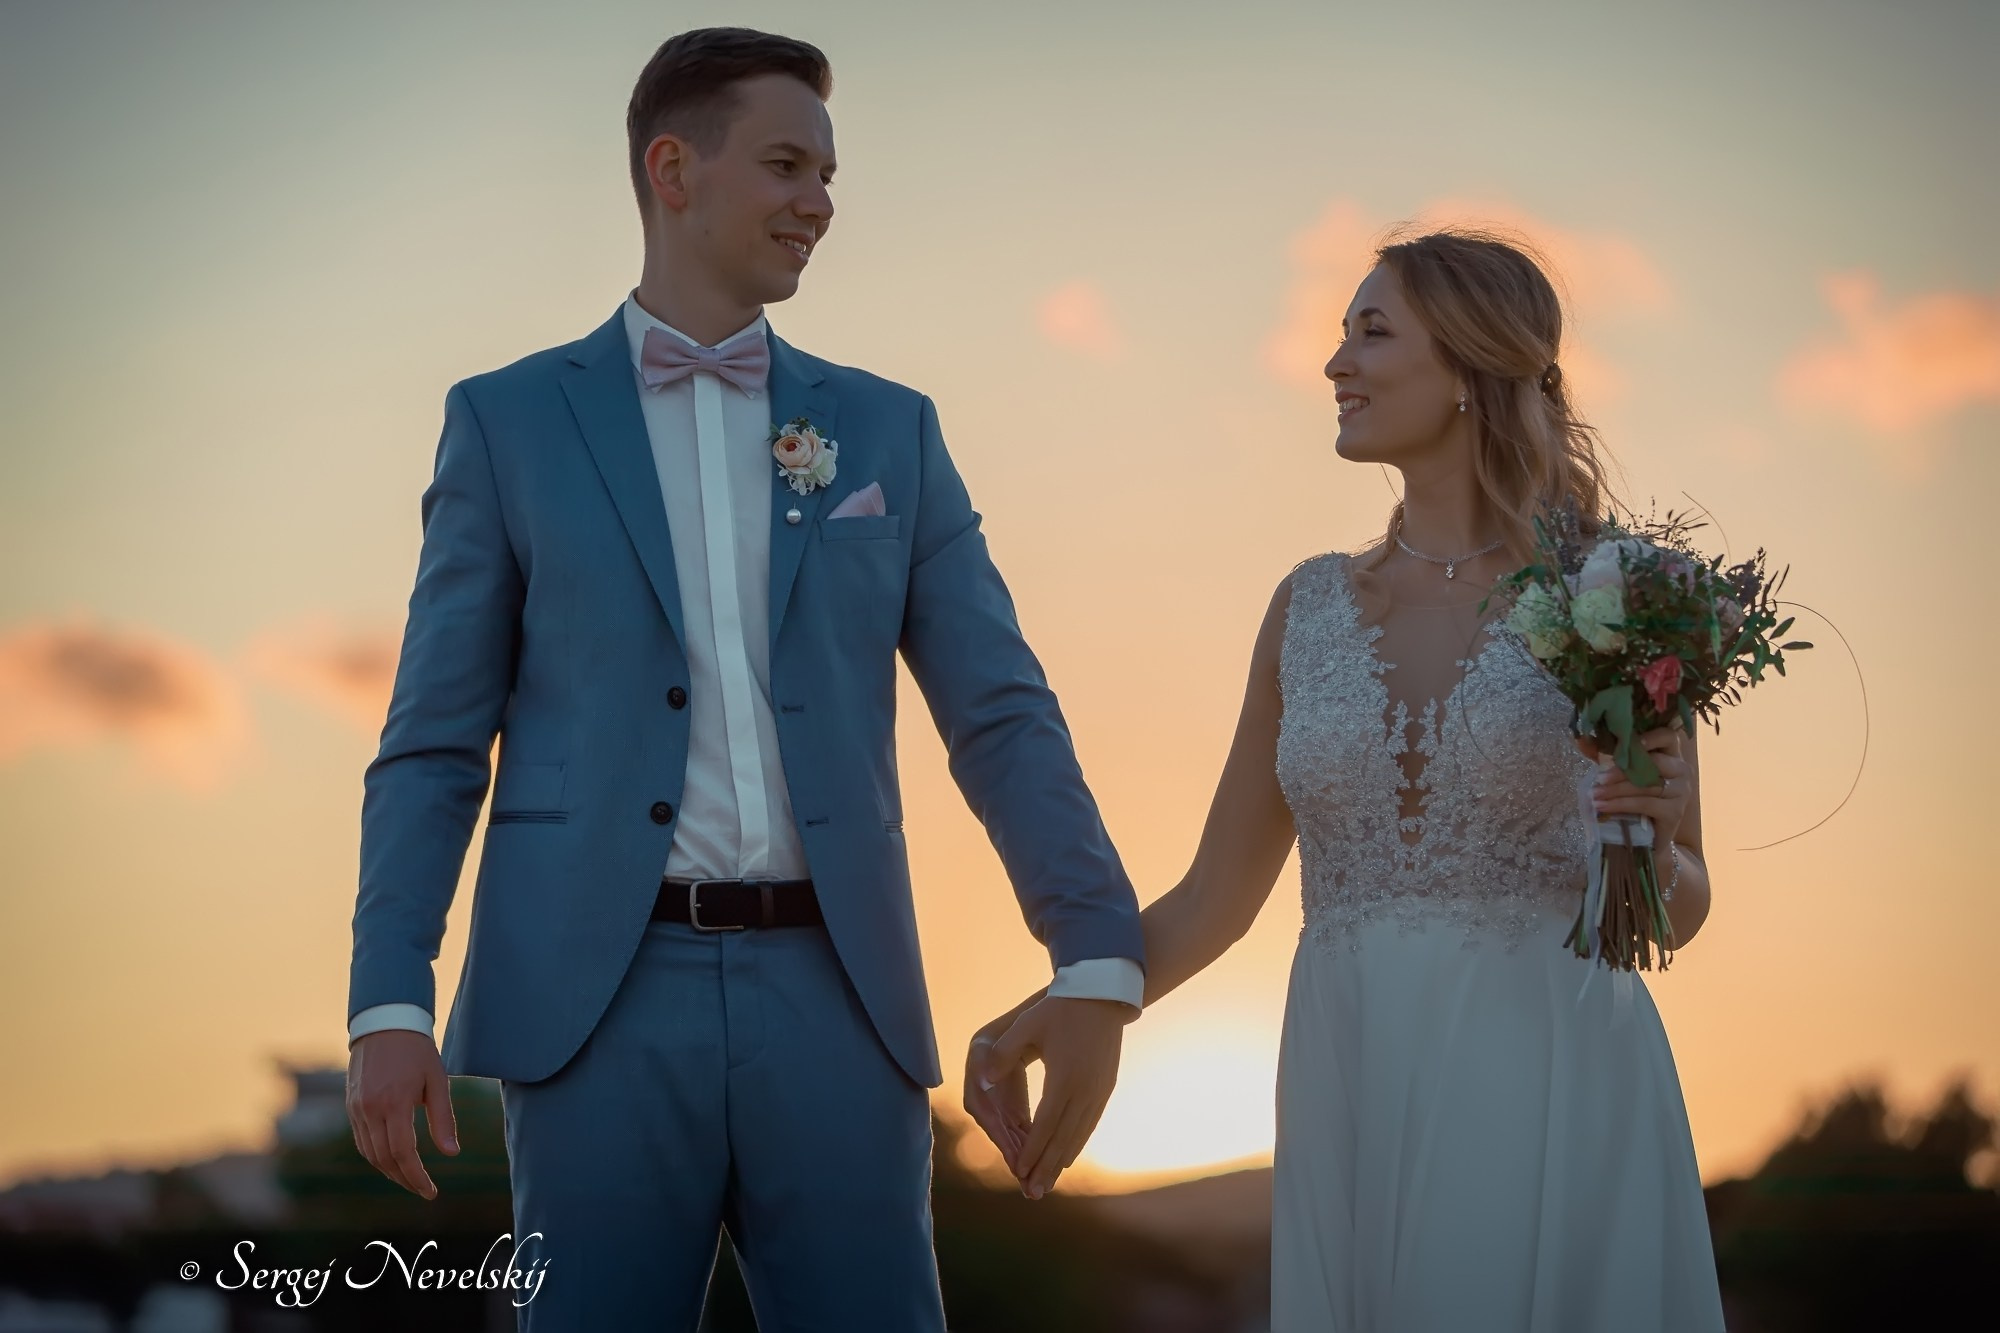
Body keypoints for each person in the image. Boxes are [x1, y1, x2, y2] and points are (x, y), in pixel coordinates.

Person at [342, 27, 1145, 1329]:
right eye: (786, 164)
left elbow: (999, 711)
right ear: (673, 168)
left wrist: (1095, 951)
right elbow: (433, 743)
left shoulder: (890, 428)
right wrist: (390, 993)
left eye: (829, 175)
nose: (818, 203)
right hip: (591, 1006)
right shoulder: (507, 422)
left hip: (841, 992)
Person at [968, 229, 1728, 1329]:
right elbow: (1212, 901)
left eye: (1370, 332)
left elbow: (1681, 902)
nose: (1335, 363)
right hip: (1350, 1070)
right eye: (1340, 331)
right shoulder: (1306, 607)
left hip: (1549, 1068)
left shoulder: (1622, 594)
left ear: (1469, 366)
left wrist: (1655, 838)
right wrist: (1070, 998)